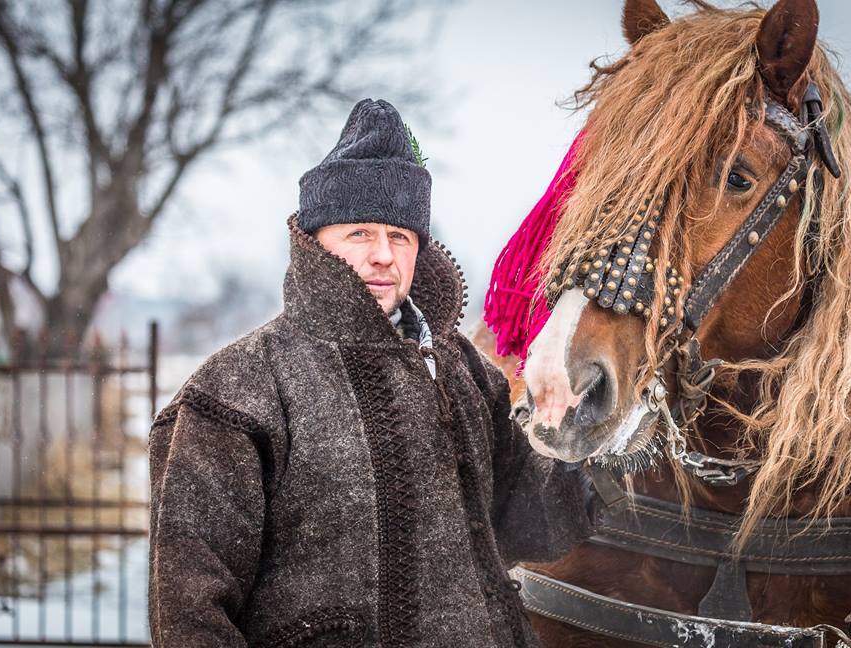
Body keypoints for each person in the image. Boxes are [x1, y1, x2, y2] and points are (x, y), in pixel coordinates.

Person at [147, 98, 591, 647]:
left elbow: (536, 520)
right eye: (359, 233)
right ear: (315, 242)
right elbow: (189, 615)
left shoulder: (465, 371)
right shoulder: (238, 389)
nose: (383, 254)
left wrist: (583, 431)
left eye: (400, 236)